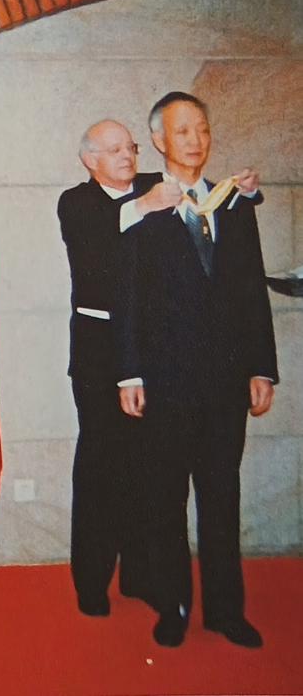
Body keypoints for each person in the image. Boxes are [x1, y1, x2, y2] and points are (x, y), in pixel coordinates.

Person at [116, 92, 278, 648]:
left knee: (222, 495)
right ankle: (173, 606)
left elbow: (252, 291)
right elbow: (125, 296)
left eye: (203, 129)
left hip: (225, 383)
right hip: (165, 383)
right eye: (183, 131)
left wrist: (261, 367)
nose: (196, 141)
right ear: (158, 139)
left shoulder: (231, 204)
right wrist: (129, 374)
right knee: (166, 499)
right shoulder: (140, 206)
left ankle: (226, 611)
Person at [57, 119, 180, 617]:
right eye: (115, 150)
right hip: (100, 355)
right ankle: (91, 582)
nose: (128, 156)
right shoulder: (76, 202)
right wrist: (144, 207)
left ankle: (140, 576)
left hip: (156, 352)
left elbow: (203, 199)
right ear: (91, 160)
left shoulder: (156, 184)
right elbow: (99, 260)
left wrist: (246, 192)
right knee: (101, 466)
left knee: (149, 467)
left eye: (131, 147)